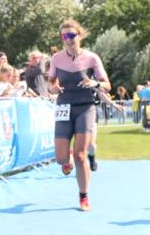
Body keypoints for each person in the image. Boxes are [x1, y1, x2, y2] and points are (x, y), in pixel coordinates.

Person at [47, 19, 110, 211]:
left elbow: (107, 84)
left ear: (79, 36)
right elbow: (50, 83)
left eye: (72, 35)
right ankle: (67, 159)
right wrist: (54, 88)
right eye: (64, 36)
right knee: (60, 159)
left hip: (85, 107)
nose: (68, 39)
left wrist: (95, 84)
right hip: (64, 107)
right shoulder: (56, 59)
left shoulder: (91, 58)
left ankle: (83, 196)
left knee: (82, 156)